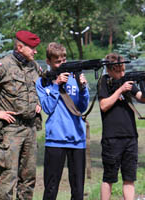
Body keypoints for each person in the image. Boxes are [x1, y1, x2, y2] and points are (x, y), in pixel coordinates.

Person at [0, 30, 43, 200]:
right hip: (11, 130)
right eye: (32, 47)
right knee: (8, 178)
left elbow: (40, 87)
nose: (35, 51)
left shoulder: (33, 66)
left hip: (30, 128)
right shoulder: (3, 65)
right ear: (20, 47)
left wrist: (38, 103)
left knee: (29, 178)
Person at [35, 42, 90, 200]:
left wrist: (83, 88)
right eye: (57, 61)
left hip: (77, 140)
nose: (61, 64)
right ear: (48, 62)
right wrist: (56, 85)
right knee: (51, 189)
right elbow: (47, 107)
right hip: (55, 140)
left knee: (78, 190)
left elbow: (82, 107)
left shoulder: (74, 78)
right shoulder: (43, 82)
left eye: (64, 60)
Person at [98, 53, 145, 200]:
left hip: (130, 136)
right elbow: (103, 105)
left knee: (129, 177)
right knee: (109, 177)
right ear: (109, 70)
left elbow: (143, 99)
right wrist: (120, 90)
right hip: (112, 137)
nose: (121, 74)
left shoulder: (127, 81)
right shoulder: (104, 81)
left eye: (123, 70)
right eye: (118, 71)